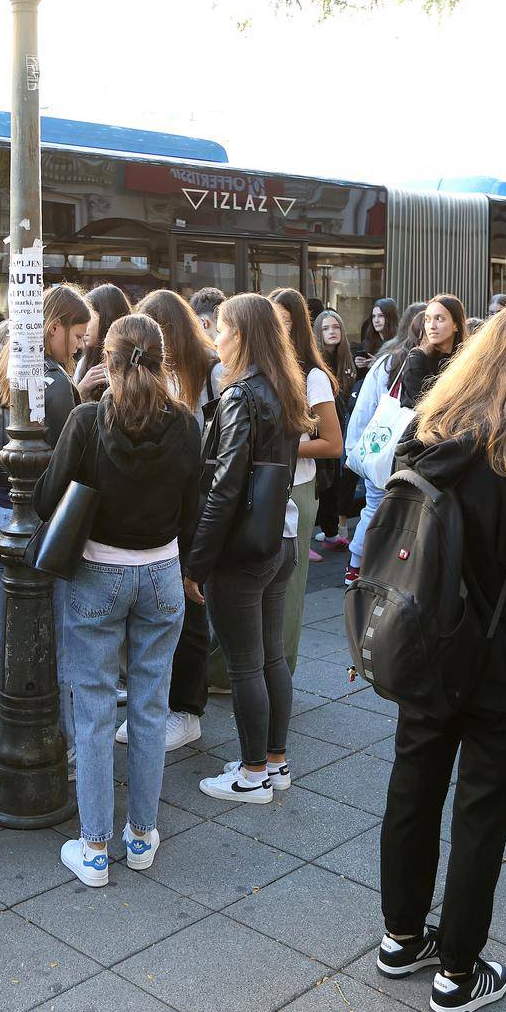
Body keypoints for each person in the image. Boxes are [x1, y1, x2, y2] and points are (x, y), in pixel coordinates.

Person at [375, 302, 506, 1012]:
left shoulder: (428, 431)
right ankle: (457, 972)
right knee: (480, 819)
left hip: (425, 643)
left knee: (413, 789)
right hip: (504, 663)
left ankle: (402, 937)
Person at [37, 313, 200, 886]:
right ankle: (142, 836)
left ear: (106, 359)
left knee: (96, 708)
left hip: (98, 572)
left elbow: (47, 499)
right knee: (151, 706)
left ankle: (95, 847)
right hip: (161, 571)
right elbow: (193, 504)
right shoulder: (184, 423)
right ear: (162, 359)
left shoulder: (87, 419)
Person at [187, 293, 309, 804]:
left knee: (244, 665)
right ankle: (274, 763)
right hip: (280, 539)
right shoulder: (283, 387)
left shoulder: (241, 395)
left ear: (243, 335)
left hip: (242, 551)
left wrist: (197, 561)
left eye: (222, 328)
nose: (216, 335)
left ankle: (252, 773)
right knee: (270, 659)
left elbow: (224, 485)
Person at [0, 286, 87, 772]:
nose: (80, 346)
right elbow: (70, 461)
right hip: (41, 521)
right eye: (77, 334)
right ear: (52, 327)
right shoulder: (52, 382)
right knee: (58, 631)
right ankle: (67, 743)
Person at [115, 289, 222, 751]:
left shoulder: (212, 371)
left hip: (197, 497)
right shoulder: (162, 373)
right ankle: (159, 705)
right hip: (167, 496)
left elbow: (218, 443)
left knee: (190, 604)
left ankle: (186, 710)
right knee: (161, 617)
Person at [269, 288, 342, 662]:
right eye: (272, 322)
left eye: (284, 323)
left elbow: (333, 443)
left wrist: (279, 446)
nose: (277, 331)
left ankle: (280, 674)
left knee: (289, 590)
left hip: (295, 488)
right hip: (260, 486)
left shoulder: (312, 376)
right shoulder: (262, 367)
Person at [344, 299, 428, 586]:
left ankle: (356, 567)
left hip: (380, 450)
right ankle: (366, 566)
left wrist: (355, 446)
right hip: (395, 452)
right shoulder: (399, 361)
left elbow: (365, 408)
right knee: (388, 510)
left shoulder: (388, 360)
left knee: (374, 507)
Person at [313, 309, 358, 550]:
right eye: (326, 328)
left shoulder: (346, 359)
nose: (332, 332)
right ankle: (321, 532)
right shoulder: (316, 361)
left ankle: (330, 532)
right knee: (322, 482)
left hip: (342, 428)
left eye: (336, 327)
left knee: (335, 481)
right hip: (321, 430)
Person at [399, 295, 466, 408]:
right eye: (427, 320)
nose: (432, 326)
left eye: (439, 319)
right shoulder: (417, 358)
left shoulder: (466, 360)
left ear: (456, 325)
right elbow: (416, 408)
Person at [74, 283, 133, 400]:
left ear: (108, 319)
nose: (84, 326)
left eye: (90, 317)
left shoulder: (133, 365)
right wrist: (80, 391)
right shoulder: (83, 363)